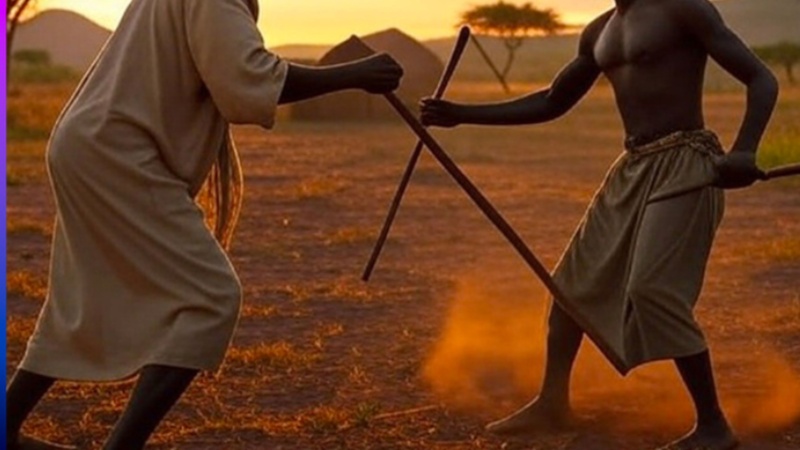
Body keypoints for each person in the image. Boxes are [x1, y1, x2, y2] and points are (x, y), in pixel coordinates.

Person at [5, 0, 403, 449]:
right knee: (210, 296)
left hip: (89, 144)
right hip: (118, 154)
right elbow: (244, 78)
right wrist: (352, 75)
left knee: (84, 294)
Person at [421, 0, 778, 449]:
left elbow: (761, 78)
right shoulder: (597, 32)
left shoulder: (683, 8)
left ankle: (713, 426)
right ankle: (552, 403)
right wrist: (462, 113)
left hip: (687, 162)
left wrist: (744, 151)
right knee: (569, 287)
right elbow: (553, 101)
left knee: (653, 291)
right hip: (631, 167)